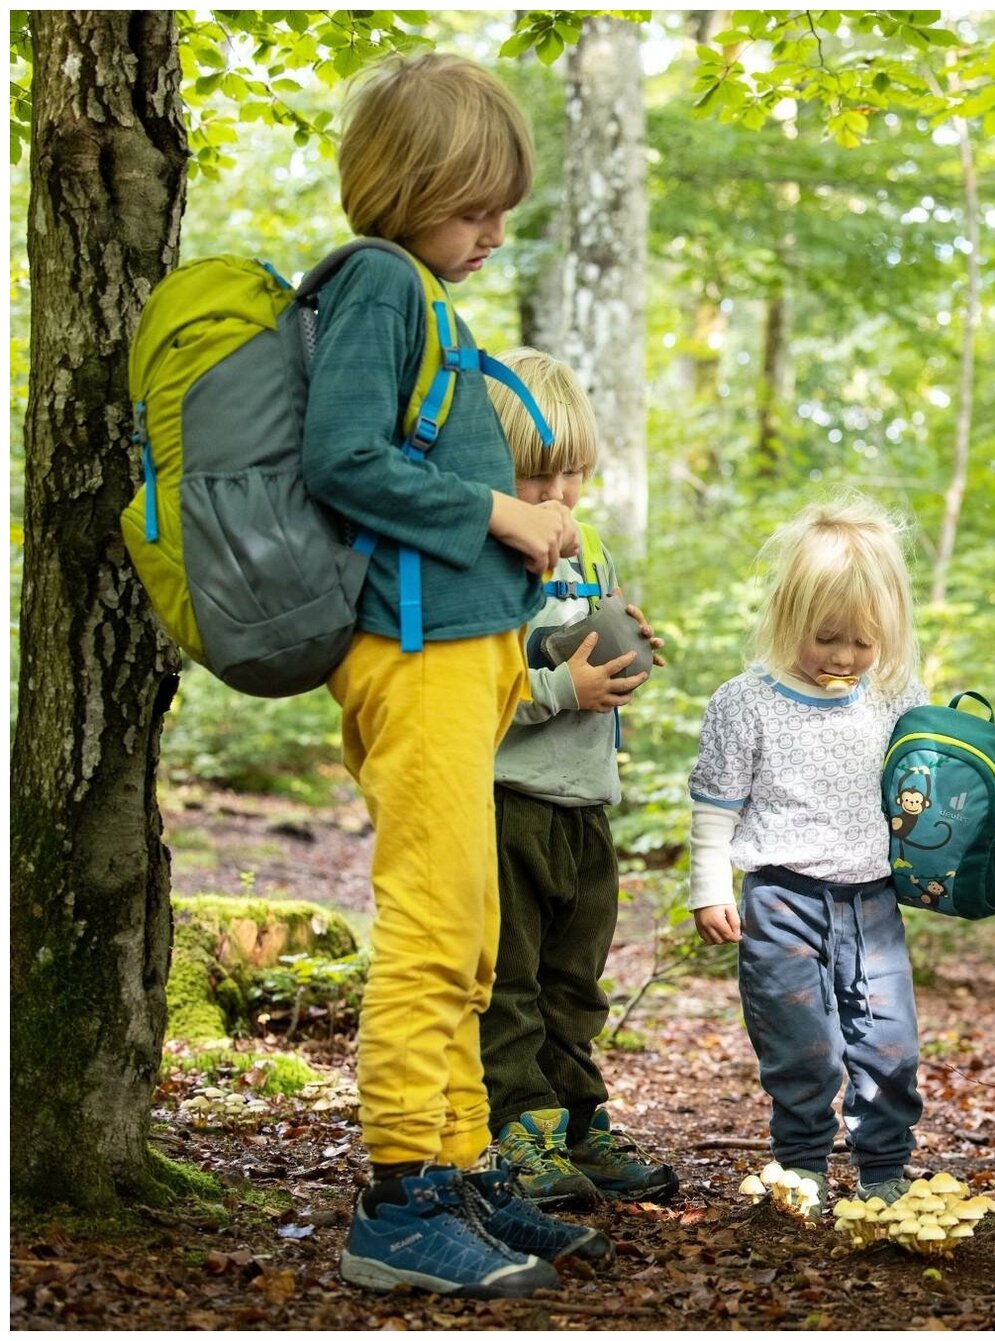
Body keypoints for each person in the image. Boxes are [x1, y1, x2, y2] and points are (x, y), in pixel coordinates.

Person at [301, 52, 588, 1299]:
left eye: (501, 210)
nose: (492, 234)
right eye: (474, 208)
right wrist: (501, 516)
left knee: (471, 928)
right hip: (413, 662)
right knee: (431, 926)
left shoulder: (420, 293)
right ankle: (401, 1197)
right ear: (410, 186)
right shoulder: (377, 281)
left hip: (463, 666)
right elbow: (342, 459)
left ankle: (464, 1169)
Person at [685, 495, 995, 1212]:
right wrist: (708, 884)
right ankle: (801, 1165)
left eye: (863, 641)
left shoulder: (893, 697)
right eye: (826, 637)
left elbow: (940, 779)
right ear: (787, 616)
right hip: (781, 896)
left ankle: (882, 1169)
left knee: (889, 1041)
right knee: (800, 1043)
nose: (844, 657)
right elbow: (716, 804)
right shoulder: (745, 704)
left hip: (871, 899)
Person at [478, 348, 681, 1211]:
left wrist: (634, 646)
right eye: (537, 478)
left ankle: (577, 1117)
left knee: (576, 977)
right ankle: (519, 1128)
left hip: (587, 803)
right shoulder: (485, 553)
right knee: (512, 977)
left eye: (575, 475)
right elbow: (474, 688)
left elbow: (600, 631)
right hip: (509, 800)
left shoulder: (589, 546)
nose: (559, 497)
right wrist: (564, 686)